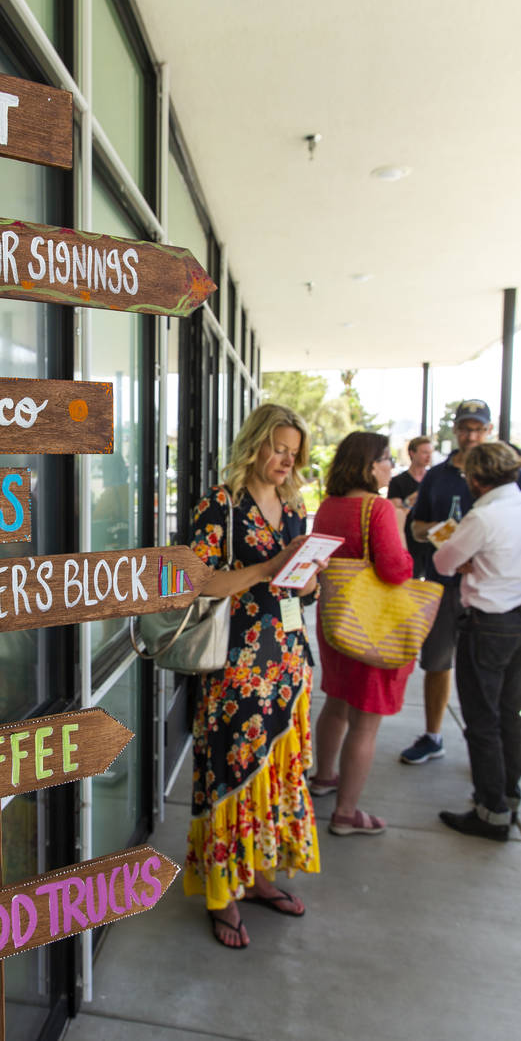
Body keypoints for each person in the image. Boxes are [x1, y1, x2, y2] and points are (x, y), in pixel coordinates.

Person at [185, 403, 322, 949]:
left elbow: (300, 591)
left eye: (295, 453)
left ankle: (259, 875)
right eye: (279, 449)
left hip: (287, 663)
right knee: (230, 774)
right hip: (236, 667)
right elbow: (197, 582)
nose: (287, 460)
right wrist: (269, 567)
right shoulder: (221, 503)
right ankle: (222, 894)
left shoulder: (293, 506)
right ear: (255, 445)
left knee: (272, 776)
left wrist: (309, 574)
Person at [308, 432, 414, 835]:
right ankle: (347, 813)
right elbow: (396, 569)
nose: (391, 467)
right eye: (387, 459)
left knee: (336, 701)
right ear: (370, 465)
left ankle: (324, 777)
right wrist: (400, 527)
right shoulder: (379, 508)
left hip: (336, 620)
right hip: (373, 627)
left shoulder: (329, 505)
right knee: (365, 721)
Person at [433, 442, 521, 841]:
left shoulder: (483, 517)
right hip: (517, 616)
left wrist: (466, 558)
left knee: (482, 718)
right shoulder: (516, 504)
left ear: (477, 480)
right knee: (508, 712)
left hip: (487, 621)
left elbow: (443, 562)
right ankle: (507, 792)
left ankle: (491, 812)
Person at [399, 399, 492, 765]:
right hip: (442, 583)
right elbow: (416, 526)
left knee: (486, 673)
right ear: (455, 430)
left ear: (488, 431)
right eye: (465, 428)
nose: (471, 435)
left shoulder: (505, 472)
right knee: (437, 663)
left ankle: (489, 755)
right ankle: (433, 736)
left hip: (489, 590)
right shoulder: (437, 475)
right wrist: (434, 532)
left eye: (478, 429)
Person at [388, 434, 433, 577]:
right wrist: (411, 500)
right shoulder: (398, 482)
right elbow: (396, 513)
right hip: (408, 541)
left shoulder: (434, 479)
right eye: (425, 452)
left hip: (432, 540)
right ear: (412, 453)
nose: (428, 457)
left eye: (430, 453)